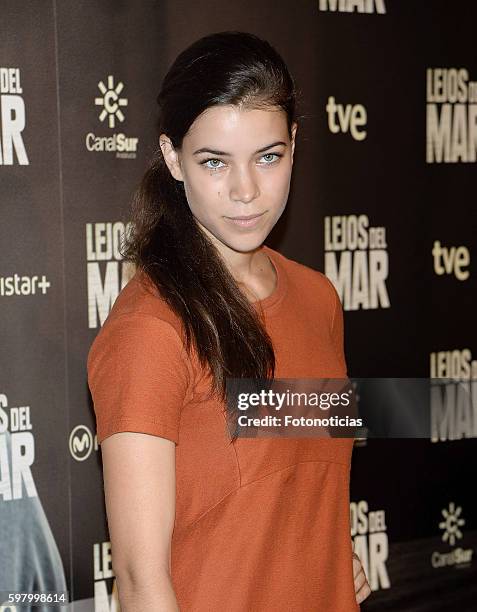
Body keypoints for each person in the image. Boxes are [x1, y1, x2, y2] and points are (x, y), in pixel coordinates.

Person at [87, 30, 371, 611]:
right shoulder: (152, 329)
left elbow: (296, 471)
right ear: (172, 158)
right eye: (215, 162)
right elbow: (142, 586)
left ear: (294, 143)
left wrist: (327, 551)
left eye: (269, 156)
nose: (247, 191)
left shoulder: (320, 300)